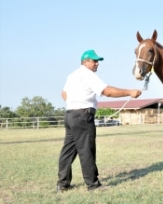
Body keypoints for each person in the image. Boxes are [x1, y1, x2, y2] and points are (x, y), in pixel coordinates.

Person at [57, 49, 142, 192]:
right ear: (85, 62)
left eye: (98, 61)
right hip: (83, 116)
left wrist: (74, 103)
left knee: (68, 151)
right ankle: (93, 185)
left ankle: (62, 184)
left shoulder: (72, 75)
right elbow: (106, 91)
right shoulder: (88, 75)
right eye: (94, 61)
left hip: (70, 115)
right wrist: (129, 92)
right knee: (87, 150)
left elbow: (63, 93)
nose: (97, 64)